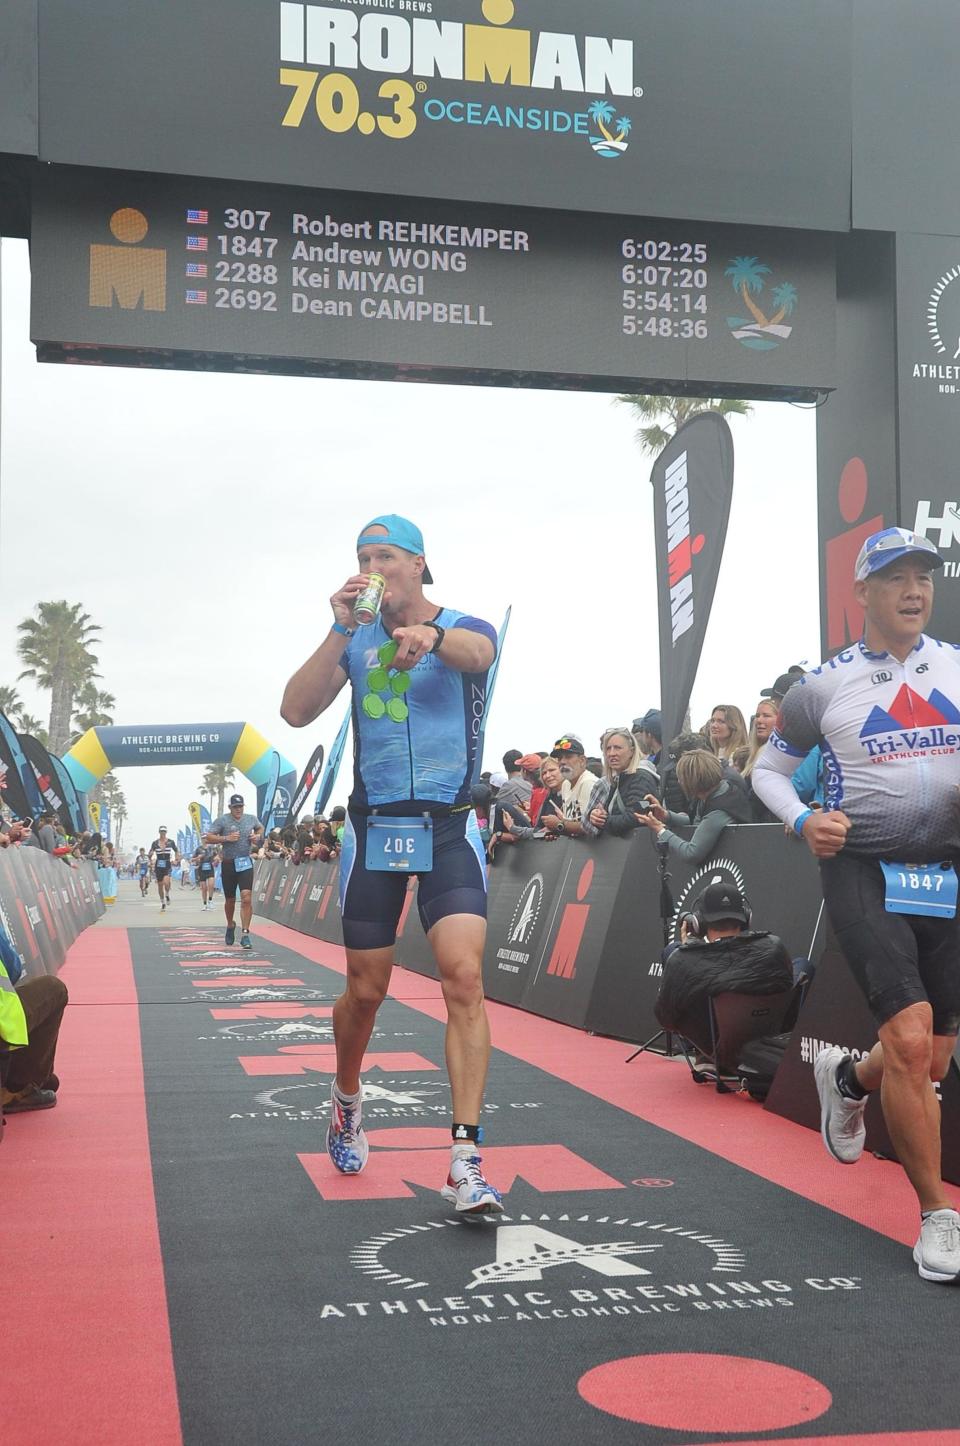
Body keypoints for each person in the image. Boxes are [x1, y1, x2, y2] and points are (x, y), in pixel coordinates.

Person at [752, 526, 960, 1283]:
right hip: (863, 869)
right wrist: (805, 820)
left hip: (947, 870)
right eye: (895, 578)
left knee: (935, 1051)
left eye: (923, 578)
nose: (913, 591)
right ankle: (938, 1216)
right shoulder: (823, 683)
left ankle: (850, 1081)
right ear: (862, 592)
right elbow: (765, 771)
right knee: (910, 1043)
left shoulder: (956, 667)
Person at [281, 513, 502, 1214]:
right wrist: (342, 628)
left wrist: (430, 637)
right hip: (374, 830)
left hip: (448, 826)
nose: (372, 566)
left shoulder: (464, 625)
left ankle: (465, 1160)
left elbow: (477, 655)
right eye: (362, 556)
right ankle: (347, 1099)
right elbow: (293, 711)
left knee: (463, 977)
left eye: (386, 556)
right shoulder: (355, 635)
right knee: (366, 991)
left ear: (419, 564)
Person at [654, 879, 793, 1061]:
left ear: (698, 923)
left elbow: (666, 1019)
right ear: (745, 917)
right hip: (768, 1048)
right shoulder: (775, 946)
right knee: (801, 965)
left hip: (718, 1053)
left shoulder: (681, 961)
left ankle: (702, 1057)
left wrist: (689, 950)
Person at [635, 748, 753, 864]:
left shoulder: (719, 810)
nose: (679, 782)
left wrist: (660, 829)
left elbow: (691, 853)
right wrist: (666, 816)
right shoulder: (717, 790)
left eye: (680, 778)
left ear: (691, 781)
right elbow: (700, 822)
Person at [204, 794, 263, 948]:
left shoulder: (251, 819)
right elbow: (207, 838)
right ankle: (230, 925)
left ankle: (245, 933)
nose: (238, 809)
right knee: (230, 900)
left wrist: (257, 836)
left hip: (245, 862)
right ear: (230, 808)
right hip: (229, 864)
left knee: (246, 897)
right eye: (235, 807)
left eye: (240, 806)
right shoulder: (222, 820)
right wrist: (226, 838)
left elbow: (260, 828)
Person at [581, 728, 659, 839]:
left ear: (631, 751)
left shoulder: (641, 778)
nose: (612, 753)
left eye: (617, 748)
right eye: (608, 749)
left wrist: (604, 820)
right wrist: (595, 815)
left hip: (640, 850)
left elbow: (637, 816)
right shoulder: (619, 779)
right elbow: (612, 814)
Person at [540, 734, 598, 839]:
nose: (562, 761)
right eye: (560, 758)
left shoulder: (589, 783)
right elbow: (571, 823)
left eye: (568, 756)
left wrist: (559, 825)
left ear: (582, 761)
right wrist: (555, 831)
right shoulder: (566, 784)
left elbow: (589, 826)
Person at [149, 827, 178, 910]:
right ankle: (162, 902)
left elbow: (176, 850)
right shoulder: (155, 843)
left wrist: (176, 859)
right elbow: (150, 853)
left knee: (166, 882)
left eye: (164, 831)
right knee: (160, 885)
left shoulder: (170, 842)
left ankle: (167, 894)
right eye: (161, 831)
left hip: (167, 864)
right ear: (159, 832)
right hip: (159, 865)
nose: (163, 833)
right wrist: (150, 855)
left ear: (166, 832)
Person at [193, 842, 218, 910]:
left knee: (211, 885)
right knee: (204, 888)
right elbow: (192, 859)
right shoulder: (198, 849)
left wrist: (216, 860)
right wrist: (198, 858)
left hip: (210, 869)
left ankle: (210, 900)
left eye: (206, 838)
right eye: (203, 838)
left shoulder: (212, 848)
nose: (205, 840)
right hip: (201, 870)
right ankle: (205, 904)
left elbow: (217, 856)